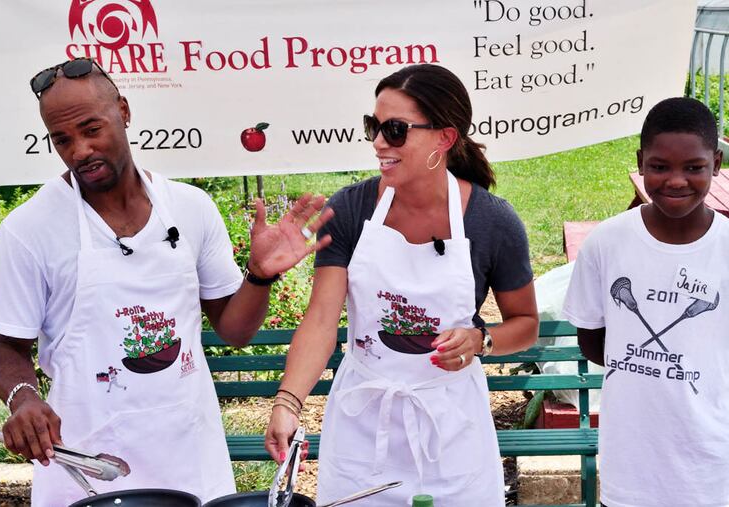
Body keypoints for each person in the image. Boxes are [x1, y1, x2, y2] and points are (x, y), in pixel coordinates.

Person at [0, 57, 332, 506]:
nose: (80, 150)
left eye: (92, 129)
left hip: (189, 456)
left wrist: (259, 276)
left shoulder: (191, 207)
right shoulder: (28, 228)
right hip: (90, 464)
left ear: (124, 112)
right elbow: (6, 347)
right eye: (62, 139)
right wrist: (24, 399)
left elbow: (235, 329)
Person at [265, 64, 539, 506]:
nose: (377, 143)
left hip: (451, 433)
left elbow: (525, 324)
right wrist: (289, 401)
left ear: (444, 139)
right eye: (373, 127)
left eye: (394, 130)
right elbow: (321, 318)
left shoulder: (491, 221)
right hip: (361, 431)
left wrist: (480, 338)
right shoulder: (352, 209)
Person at [563, 97, 729, 507]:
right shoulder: (607, 242)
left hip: (710, 465)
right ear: (640, 161)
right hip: (630, 465)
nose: (676, 180)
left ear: (717, 162)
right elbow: (592, 342)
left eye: (694, 167)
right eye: (660, 166)